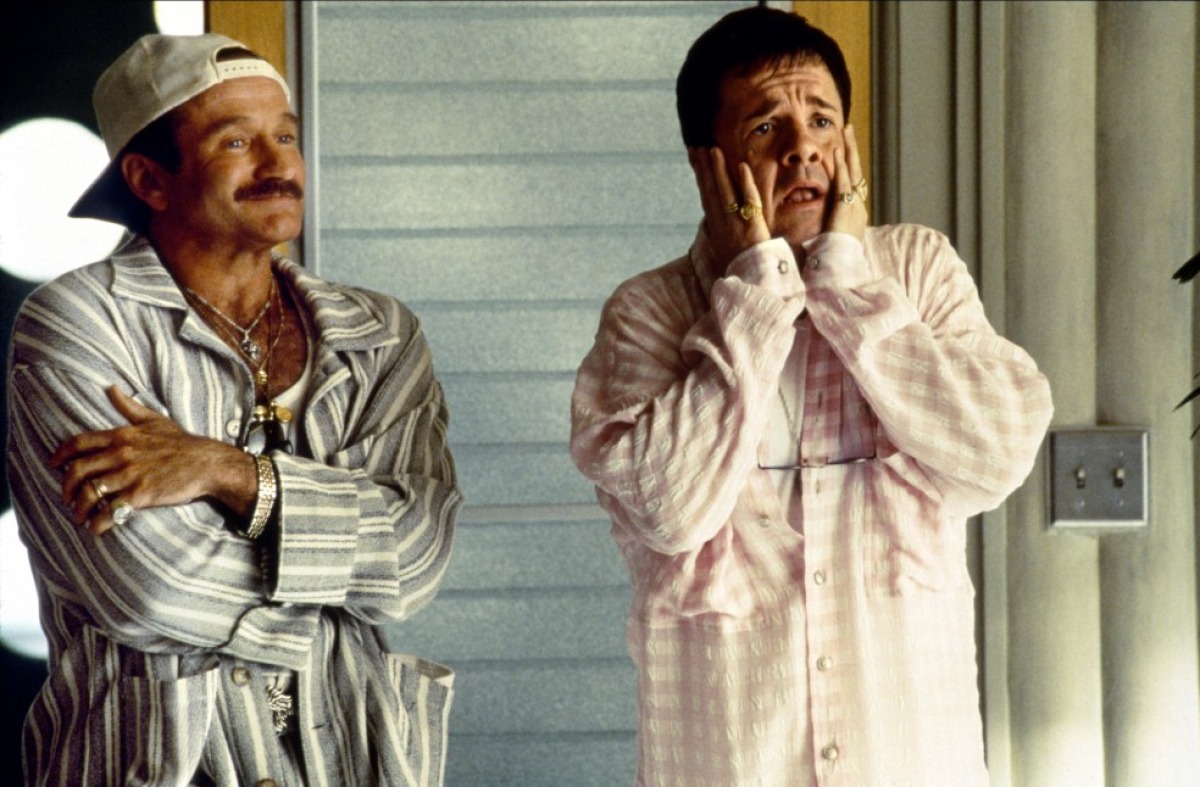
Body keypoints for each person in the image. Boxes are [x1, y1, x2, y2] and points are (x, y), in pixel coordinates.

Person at [569, 7, 1053, 786]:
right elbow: (669, 509)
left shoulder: (917, 269)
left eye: (822, 121)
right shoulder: (648, 312)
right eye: (767, 127)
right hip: (730, 762)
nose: (803, 148)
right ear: (707, 164)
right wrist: (756, 291)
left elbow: (996, 456)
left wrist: (849, 284)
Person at [6, 34, 461, 786]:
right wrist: (344, 572)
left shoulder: (380, 334)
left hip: (355, 759)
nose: (280, 165)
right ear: (150, 180)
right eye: (237, 142)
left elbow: (413, 563)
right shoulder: (79, 323)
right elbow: (151, 587)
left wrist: (229, 473)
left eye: (286, 136)